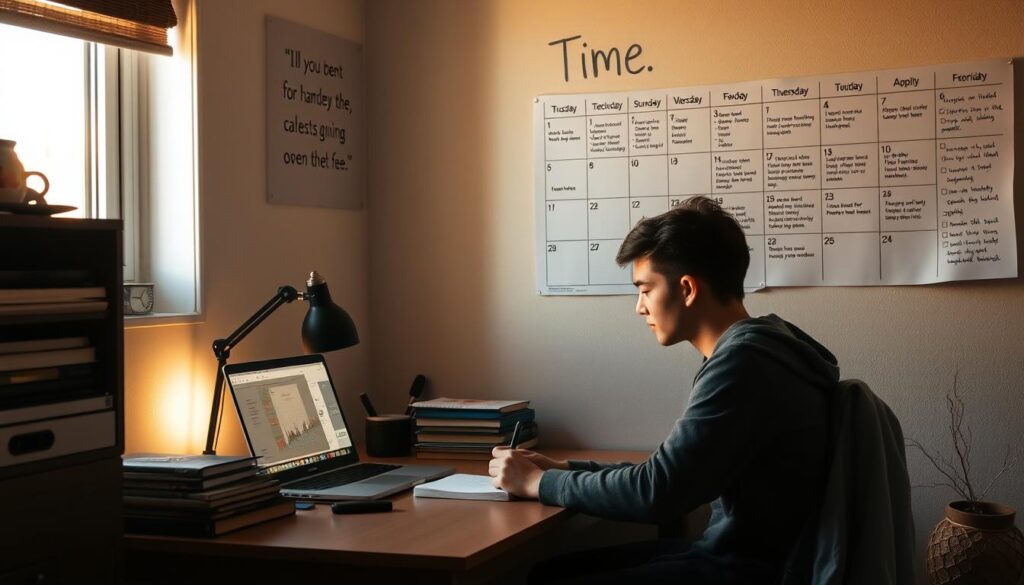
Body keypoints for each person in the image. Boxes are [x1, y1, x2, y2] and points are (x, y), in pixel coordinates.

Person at [489, 196, 840, 583]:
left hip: (746, 570)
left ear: (687, 289)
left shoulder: (743, 364)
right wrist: (566, 469)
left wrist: (537, 482)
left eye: (645, 289)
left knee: (547, 578)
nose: (639, 307)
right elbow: (671, 475)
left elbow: (658, 493)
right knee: (549, 572)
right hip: (744, 557)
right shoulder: (761, 348)